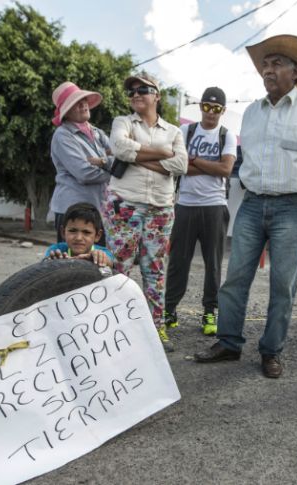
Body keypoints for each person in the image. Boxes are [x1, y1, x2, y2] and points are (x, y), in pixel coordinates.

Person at [194, 34, 297, 378]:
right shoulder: (251, 112)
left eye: (277, 63)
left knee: (283, 284)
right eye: (265, 63)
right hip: (251, 204)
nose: (267, 69)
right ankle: (229, 343)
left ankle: (271, 350)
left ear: (296, 72)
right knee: (235, 279)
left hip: (294, 207)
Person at [105, 72, 188, 353]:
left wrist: (140, 158)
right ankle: (115, 331)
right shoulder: (122, 122)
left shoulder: (174, 132)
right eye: (131, 92)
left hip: (161, 208)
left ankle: (156, 330)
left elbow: (181, 166)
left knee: (155, 270)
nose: (136, 95)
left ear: (157, 95)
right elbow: (118, 147)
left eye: (143, 89)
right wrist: (161, 152)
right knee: (119, 268)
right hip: (126, 204)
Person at [163, 87, 238, 335]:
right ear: (201, 106)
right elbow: (177, 166)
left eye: (216, 109)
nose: (211, 113)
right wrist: (208, 166)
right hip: (185, 204)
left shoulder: (226, 135)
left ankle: (209, 312)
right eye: (207, 106)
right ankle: (169, 309)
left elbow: (226, 170)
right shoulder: (186, 131)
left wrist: (194, 161)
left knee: (213, 264)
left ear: (222, 111)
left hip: (215, 206)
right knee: (178, 262)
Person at [49, 81, 114, 244]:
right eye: (76, 103)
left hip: (98, 210)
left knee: (99, 262)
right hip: (72, 211)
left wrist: (102, 161)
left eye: (84, 100)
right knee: (72, 265)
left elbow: (122, 157)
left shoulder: (97, 133)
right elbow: (84, 173)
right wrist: (115, 171)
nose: (83, 105)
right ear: (66, 112)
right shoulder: (63, 135)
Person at [44, 202, 114, 268]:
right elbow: (43, 267)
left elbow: (111, 264)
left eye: (86, 232)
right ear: (63, 232)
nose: (78, 238)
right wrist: (52, 263)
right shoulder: (56, 250)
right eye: (72, 231)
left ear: (97, 236)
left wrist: (102, 260)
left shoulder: (102, 253)